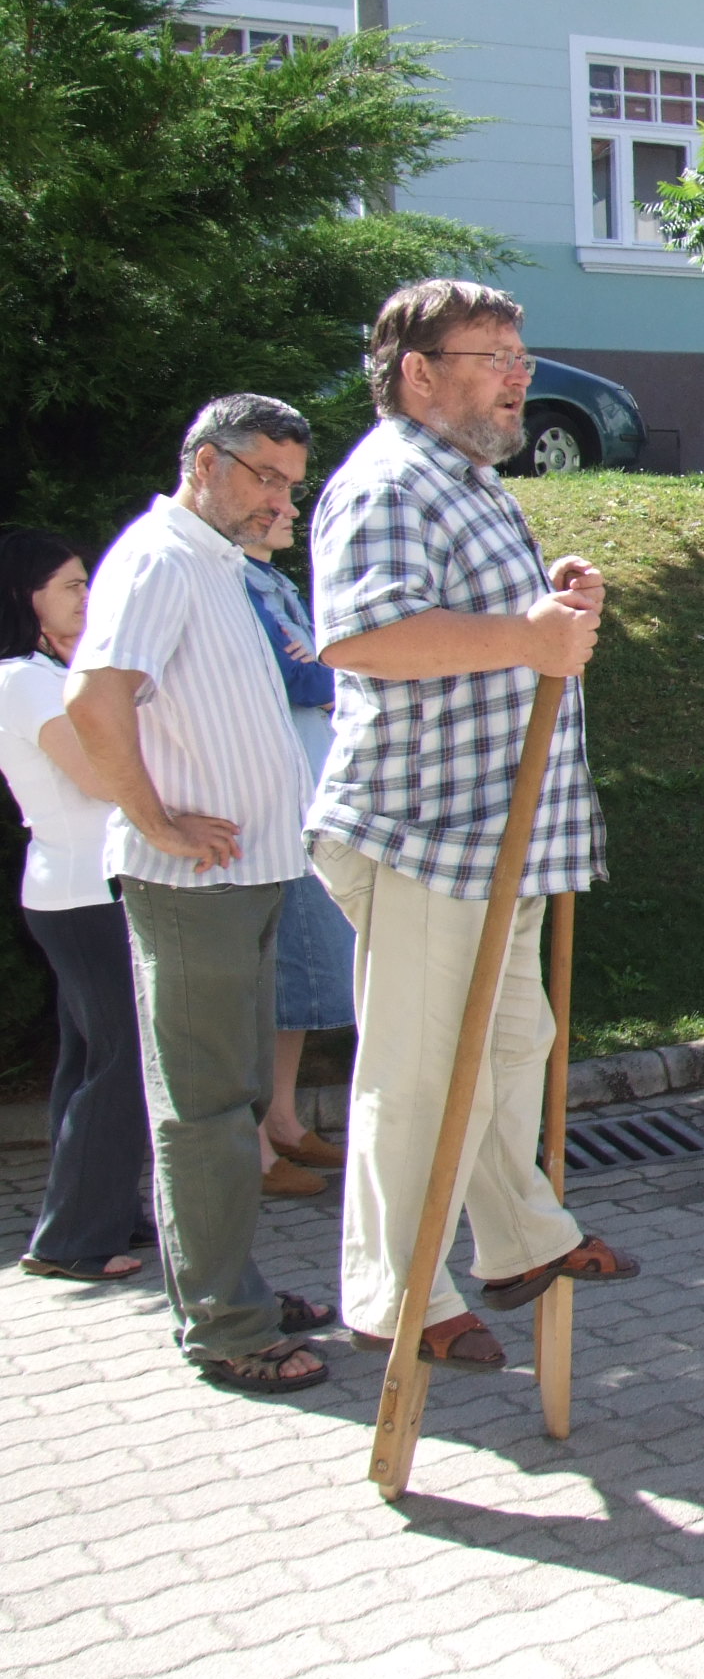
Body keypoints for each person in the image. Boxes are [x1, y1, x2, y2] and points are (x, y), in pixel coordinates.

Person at [309, 279, 635, 1377]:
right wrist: (526, 637)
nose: (518, 376)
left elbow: (488, 624)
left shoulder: (471, 481)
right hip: (423, 832)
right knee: (417, 1076)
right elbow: (362, 638)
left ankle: (520, 1239)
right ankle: (395, 1292)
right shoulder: (388, 482)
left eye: (519, 356)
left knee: (509, 1047)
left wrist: (547, 600)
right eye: (493, 355)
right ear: (418, 373)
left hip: (500, 836)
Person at [63, 396, 337, 1394]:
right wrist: (157, 823)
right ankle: (225, 1326)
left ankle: (234, 1289)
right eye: (266, 478)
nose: (282, 502)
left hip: (249, 876)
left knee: (234, 1102)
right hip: (196, 885)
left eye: (290, 486)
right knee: (209, 1110)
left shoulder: (220, 563)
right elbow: (94, 701)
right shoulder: (159, 558)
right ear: (207, 464)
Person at [2, 534, 150, 1286]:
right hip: (84, 894)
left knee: (93, 1060)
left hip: (80, 890)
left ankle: (102, 1212)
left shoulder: (40, 675)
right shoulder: (24, 681)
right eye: (70, 586)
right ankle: (71, 1240)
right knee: (122, 1064)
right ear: (23, 597)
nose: (87, 598)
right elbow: (99, 777)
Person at [240, 500, 353, 1196]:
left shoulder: (275, 584)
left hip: (308, 792)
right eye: (274, 493)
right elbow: (301, 677)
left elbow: (321, 666)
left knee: (302, 973)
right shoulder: (236, 586)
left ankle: (282, 1119)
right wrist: (336, 669)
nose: (290, 507)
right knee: (279, 973)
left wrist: (327, 666)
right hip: (274, 804)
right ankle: (255, 1144)